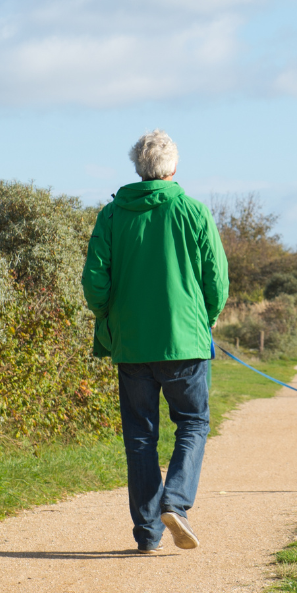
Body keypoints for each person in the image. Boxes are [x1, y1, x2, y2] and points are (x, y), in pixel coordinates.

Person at [82, 130, 229, 553]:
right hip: (186, 342)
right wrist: (208, 319)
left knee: (141, 437)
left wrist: (110, 317)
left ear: (137, 168)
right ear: (174, 168)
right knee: (194, 423)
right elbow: (215, 281)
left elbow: (95, 281)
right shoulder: (194, 211)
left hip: (131, 344)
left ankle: (148, 533)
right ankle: (176, 504)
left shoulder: (111, 215)